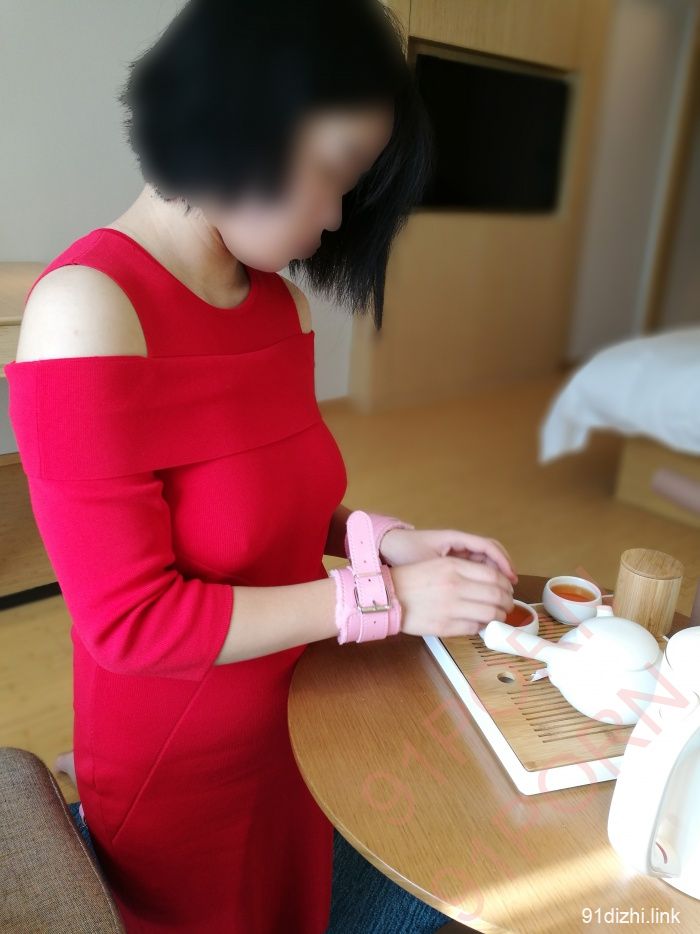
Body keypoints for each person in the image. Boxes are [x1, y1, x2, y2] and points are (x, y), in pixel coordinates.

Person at [6, 1, 518, 931]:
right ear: (239, 110)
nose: (334, 217)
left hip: (302, 709)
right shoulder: (87, 310)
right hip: (184, 759)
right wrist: (385, 602)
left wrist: (387, 544)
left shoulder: (278, 306)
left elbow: (273, 503)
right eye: (335, 171)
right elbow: (131, 623)